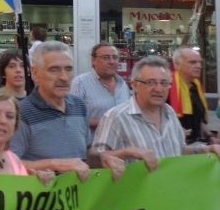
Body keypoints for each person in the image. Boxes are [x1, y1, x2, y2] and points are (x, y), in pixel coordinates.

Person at [9, 41, 123, 179]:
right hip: (41, 197)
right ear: (35, 73)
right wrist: (54, 164)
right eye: (54, 69)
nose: (63, 77)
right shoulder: (20, 113)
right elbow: (8, 164)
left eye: (68, 69)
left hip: (79, 196)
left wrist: (103, 158)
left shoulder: (79, 106)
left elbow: (86, 151)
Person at [92, 55, 220, 169]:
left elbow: (178, 150)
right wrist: (127, 153)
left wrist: (206, 150)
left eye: (164, 83)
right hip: (136, 194)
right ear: (135, 85)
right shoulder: (116, 117)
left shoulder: (169, 112)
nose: (159, 89)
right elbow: (95, 160)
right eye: (150, 82)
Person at [70, 43, 131, 140]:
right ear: (93, 60)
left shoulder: (122, 84)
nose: (111, 61)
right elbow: (72, 119)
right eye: (106, 57)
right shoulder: (80, 83)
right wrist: (107, 122)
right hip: (94, 149)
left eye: (115, 57)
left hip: (122, 146)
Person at [169, 46, 218, 144]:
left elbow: (198, 118)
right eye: (193, 62)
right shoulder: (166, 87)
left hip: (197, 143)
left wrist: (210, 136)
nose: (199, 66)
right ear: (177, 65)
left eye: (200, 62)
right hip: (175, 146)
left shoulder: (196, 86)